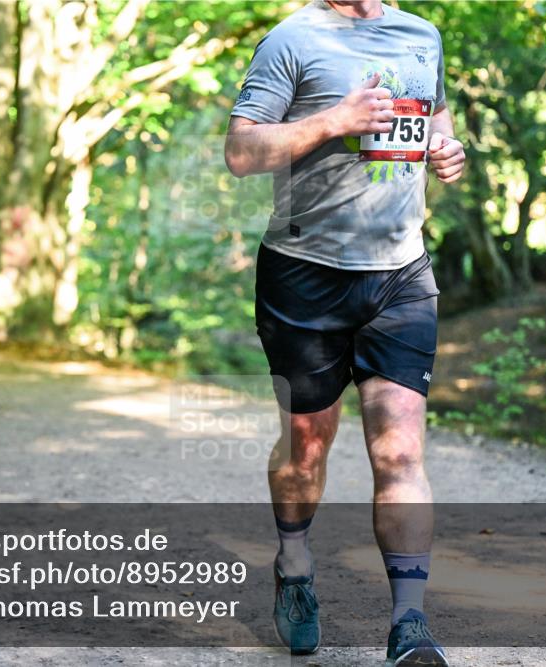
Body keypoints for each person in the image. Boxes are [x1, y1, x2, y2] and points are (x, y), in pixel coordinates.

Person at [224, 1, 465, 664]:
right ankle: (294, 565)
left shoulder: (423, 34)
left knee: (400, 452)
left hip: (400, 276)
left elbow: (435, 122)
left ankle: (409, 622)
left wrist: (447, 149)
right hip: (306, 275)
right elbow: (242, 151)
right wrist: (336, 120)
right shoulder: (293, 39)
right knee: (307, 447)